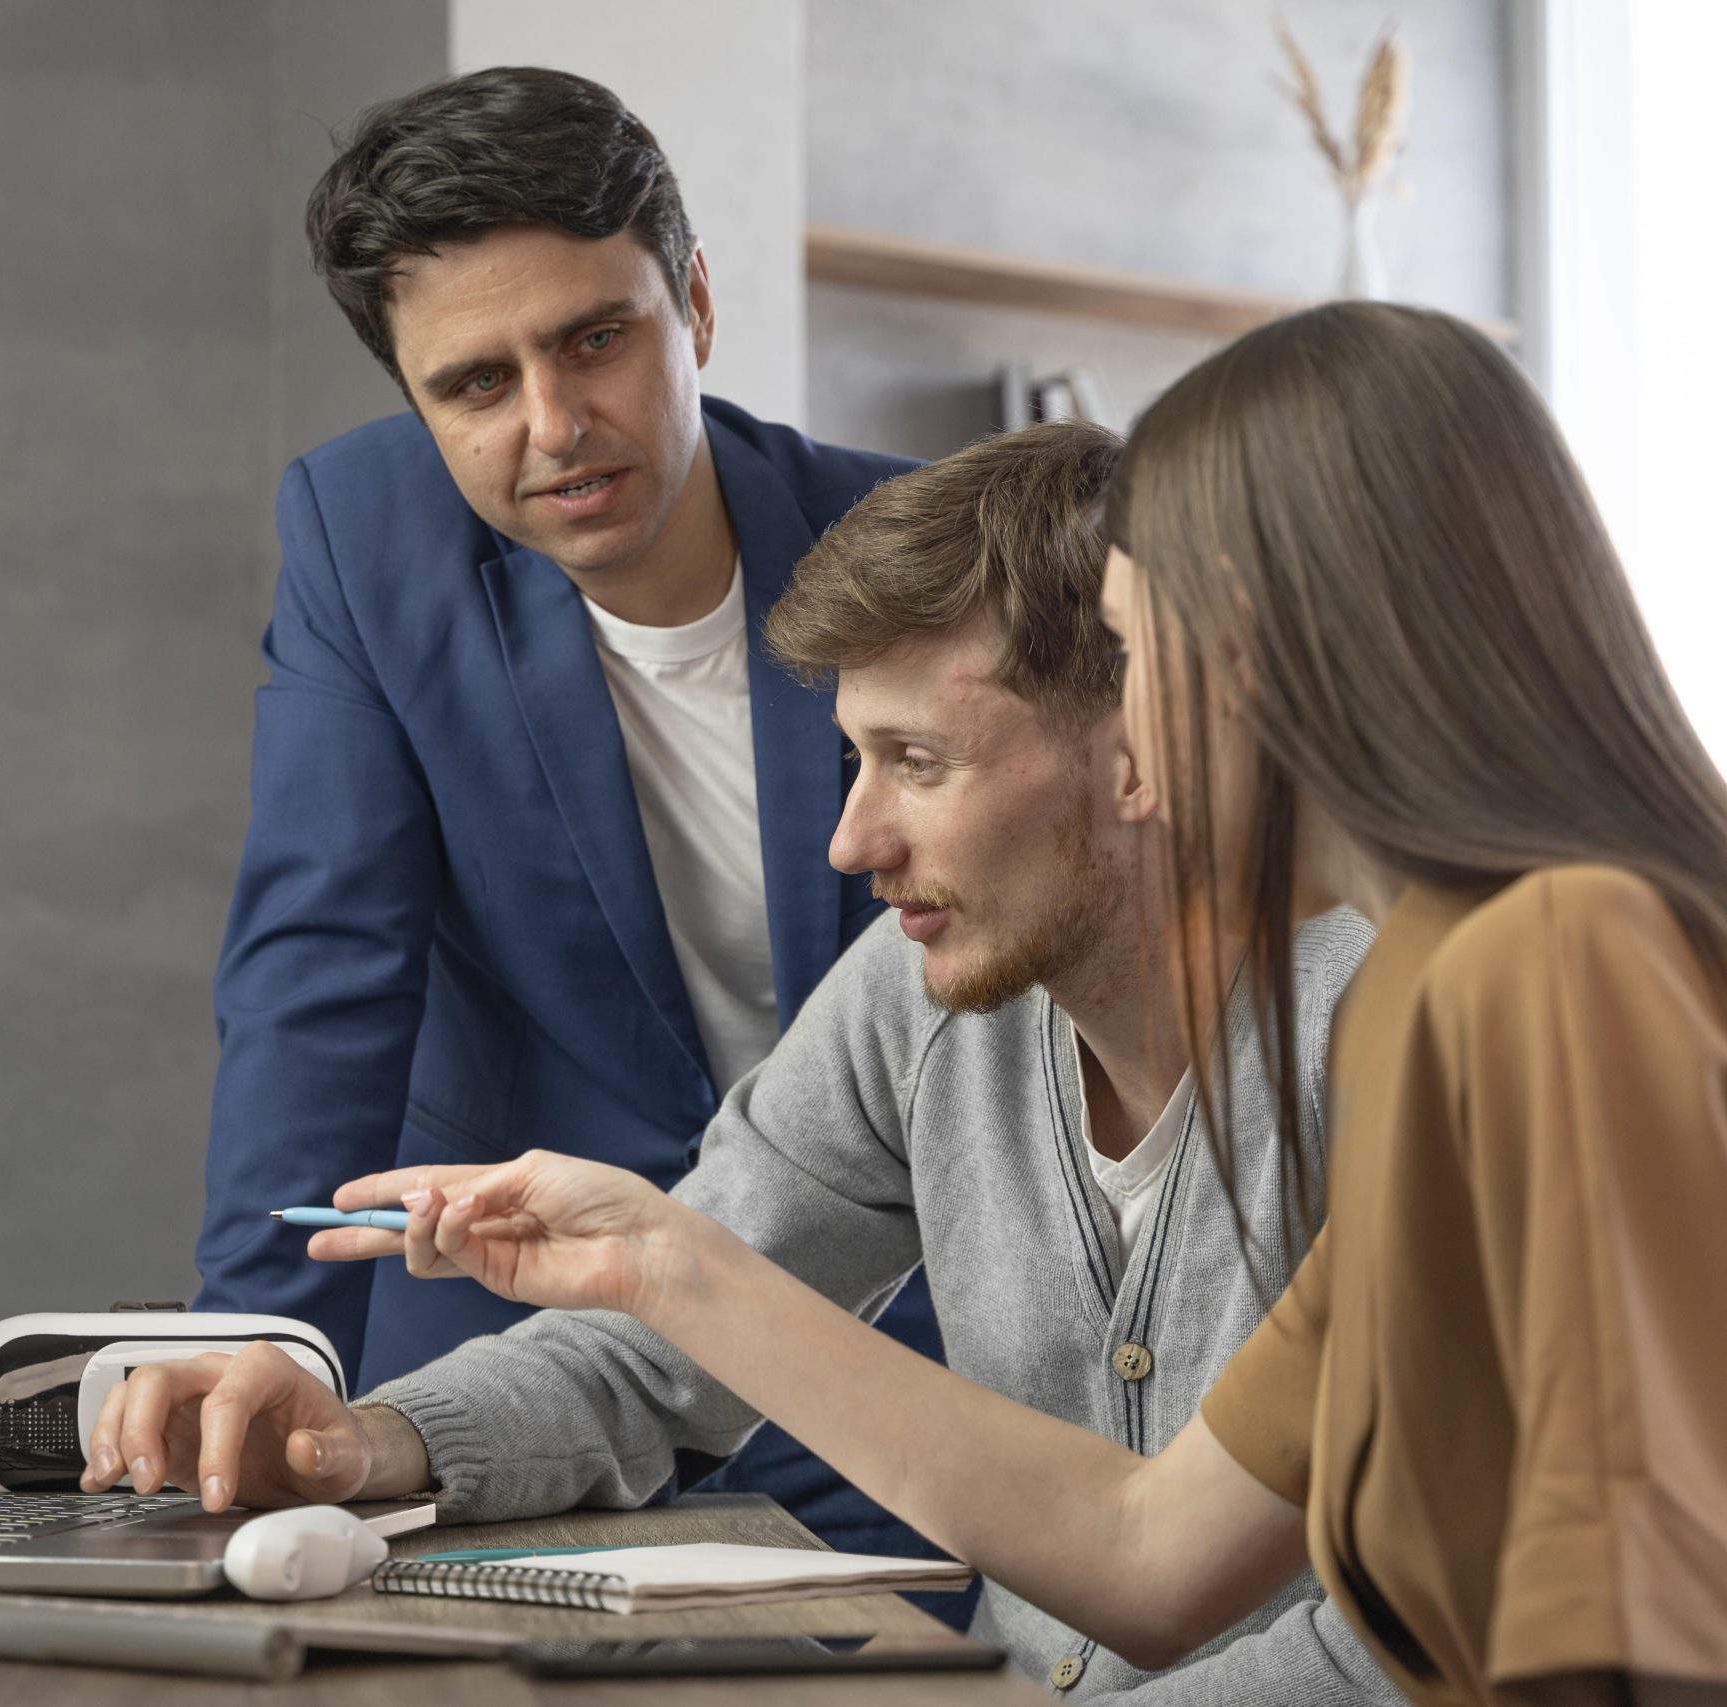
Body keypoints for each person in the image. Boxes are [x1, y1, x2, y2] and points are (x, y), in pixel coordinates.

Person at [157, 304, 1727, 1705]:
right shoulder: (1452, 1006)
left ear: (1273, 640)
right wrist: (648, 1266)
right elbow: (1151, 1547)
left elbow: (1591, 1641)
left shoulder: (1541, 972)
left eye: (1131, 640)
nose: (853, 840)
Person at [191, 65, 944, 1555]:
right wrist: (269, 1350)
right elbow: (316, 970)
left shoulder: (920, 550)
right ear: (415, 399)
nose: (554, 423)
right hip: (516, 1347)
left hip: (877, 1331)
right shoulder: (363, 542)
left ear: (697, 310)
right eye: (475, 383)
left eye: (597, 339)